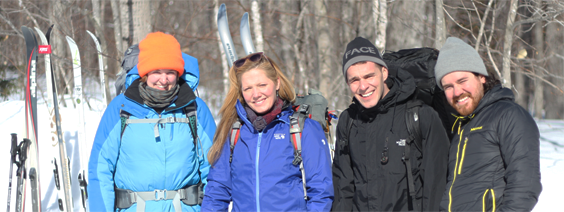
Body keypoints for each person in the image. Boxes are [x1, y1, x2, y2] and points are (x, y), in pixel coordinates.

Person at [88, 32, 216, 212]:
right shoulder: (121, 108)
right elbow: (100, 168)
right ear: (145, 73)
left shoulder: (194, 109)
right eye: (156, 72)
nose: (163, 80)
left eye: (170, 72)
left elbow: (214, 169)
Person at [201, 52, 333, 211]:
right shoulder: (234, 132)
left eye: (262, 85)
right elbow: (217, 191)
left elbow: (321, 192)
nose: (256, 94)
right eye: (248, 88)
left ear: (277, 83)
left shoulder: (302, 128)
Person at [332, 37, 450, 211]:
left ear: (384, 73)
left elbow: (436, 188)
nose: (363, 86)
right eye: (354, 80)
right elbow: (343, 188)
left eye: (369, 76)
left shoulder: (420, 116)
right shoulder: (348, 121)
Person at [435, 37, 542, 212]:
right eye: (448, 86)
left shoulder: (508, 115)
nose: (457, 92)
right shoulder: (460, 128)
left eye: (462, 81)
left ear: (481, 77)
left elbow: (525, 187)